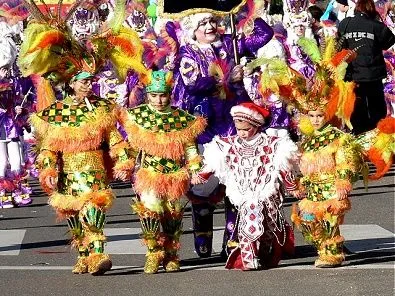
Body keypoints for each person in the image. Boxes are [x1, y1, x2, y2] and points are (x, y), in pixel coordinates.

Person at [19, 0, 145, 275]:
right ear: (71, 83)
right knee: (75, 218)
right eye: (83, 80)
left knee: (93, 210)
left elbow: (114, 137)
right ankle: (84, 254)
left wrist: (124, 160)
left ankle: (99, 252)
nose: (88, 84)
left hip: (94, 170)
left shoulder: (103, 107)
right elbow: (48, 148)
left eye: (90, 80)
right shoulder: (57, 112)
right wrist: (49, 169)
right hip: (68, 173)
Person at [173, 12, 274, 258]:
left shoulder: (229, 43)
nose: (210, 27)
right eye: (203, 24)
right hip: (205, 124)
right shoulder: (189, 52)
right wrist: (227, 78)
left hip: (232, 122)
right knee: (204, 186)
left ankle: (232, 239)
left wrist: (251, 18)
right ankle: (202, 232)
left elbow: (264, 36)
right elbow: (193, 83)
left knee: (235, 182)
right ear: (193, 29)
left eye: (212, 22)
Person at [192, 102, 298, 270]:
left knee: (269, 227)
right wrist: (202, 175)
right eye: (238, 129)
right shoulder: (230, 143)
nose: (241, 133)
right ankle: (248, 257)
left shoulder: (272, 143)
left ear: (256, 126)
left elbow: (282, 163)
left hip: (267, 190)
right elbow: (215, 160)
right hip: (245, 193)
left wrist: (291, 185)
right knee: (250, 220)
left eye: (245, 129)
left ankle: (263, 252)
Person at [119, 70, 206, 273]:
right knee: (150, 212)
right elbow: (131, 146)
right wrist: (126, 165)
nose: (158, 100)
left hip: (175, 175)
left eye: (163, 95)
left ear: (170, 94)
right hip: (149, 175)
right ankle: (152, 253)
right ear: (148, 94)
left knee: (172, 215)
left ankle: (171, 254)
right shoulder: (137, 116)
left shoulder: (182, 118)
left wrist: (194, 169)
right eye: (154, 95)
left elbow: (190, 147)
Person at [338, 0, 395, 135]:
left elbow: (339, 46)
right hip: (373, 76)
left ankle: (358, 136)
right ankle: (377, 138)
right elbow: (388, 42)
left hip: (353, 75)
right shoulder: (377, 26)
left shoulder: (345, 24)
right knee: (377, 110)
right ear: (371, 10)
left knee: (356, 109)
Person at [0, 20, 32, 208]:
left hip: (12, 127)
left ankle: (18, 189)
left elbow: (26, 99)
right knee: (2, 162)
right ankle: (3, 192)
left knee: (17, 161)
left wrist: (21, 109)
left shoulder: (15, 83)